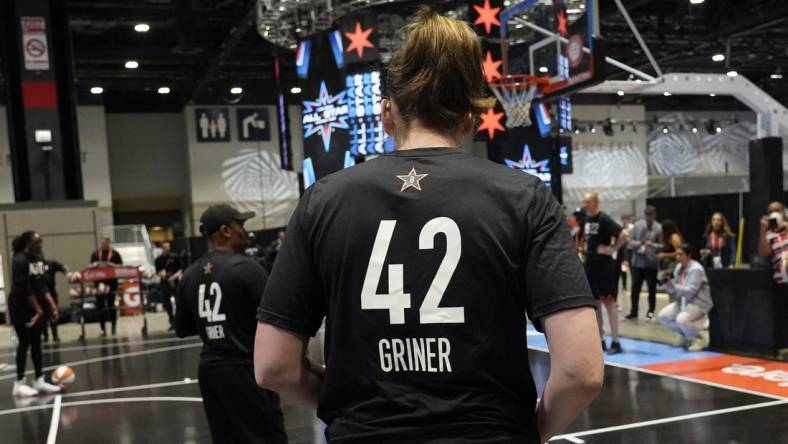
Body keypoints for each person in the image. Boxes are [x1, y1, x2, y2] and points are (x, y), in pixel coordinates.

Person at [253, 8, 603, 444]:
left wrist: (353, 410)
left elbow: (273, 366)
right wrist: (533, 430)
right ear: (470, 117)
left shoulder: (323, 200)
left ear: (386, 113)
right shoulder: (524, 197)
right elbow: (582, 371)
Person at [175, 205, 287, 444]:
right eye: (241, 226)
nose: (245, 232)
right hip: (243, 369)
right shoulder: (247, 268)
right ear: (226, 230)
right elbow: (276, 317)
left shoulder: (190, 274)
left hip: (210, 372)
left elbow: (183, 328)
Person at [9, 231, 62, 397]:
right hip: (20, 306)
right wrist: (38, 310)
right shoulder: (19, 260)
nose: (40, 246)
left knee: (37, 343)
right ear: (28, 243)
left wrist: (52, 306)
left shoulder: (39, 259)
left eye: (41, 243)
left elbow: (42, 285)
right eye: (37, 243)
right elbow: (25, 289)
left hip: (36, 306)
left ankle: (39, 380)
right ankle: (19, 383)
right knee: (24, 342)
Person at [582, 192, 629, 354]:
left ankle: (616, 341)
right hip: (590, 265)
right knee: (595, 303)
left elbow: (624, 234)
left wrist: (612, 249)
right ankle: (600, 339)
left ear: (595, 202)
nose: (584, 203)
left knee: (609, 302)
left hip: (604, 266)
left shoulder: (604, 219)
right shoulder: (586, 219)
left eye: (587, 201)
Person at [658, 244, 714, 351]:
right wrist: (666, 284)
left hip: (698, 302)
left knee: (681, 320)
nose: (678, 257)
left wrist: (674, 286)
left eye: (681, 254)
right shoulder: (679, 267)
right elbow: (675, 289)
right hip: (683, 301)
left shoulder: (696, 269)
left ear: (688, 255)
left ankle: (700, 338)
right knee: (663, 316)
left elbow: (690, 291)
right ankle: (685, 336)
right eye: (677, 254)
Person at [625, 206, 662, 321]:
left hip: (651, 263)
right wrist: (641, 242)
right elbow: (629, 243)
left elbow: (661, 246)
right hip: (637, 262)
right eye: (647, 215)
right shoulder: (637, 225)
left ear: (654, 215)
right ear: (644, 215)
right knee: (635, 289)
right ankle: (634, 311)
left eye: (651, 215)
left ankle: (650, 312)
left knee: (651, 290)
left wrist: (652, 245)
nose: (649, 218)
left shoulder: (658, 228)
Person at [90, 236, 124, 336]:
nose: (103, 244)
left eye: (105, 243)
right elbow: (90, 267)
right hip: (99, 283)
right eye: (102, 243)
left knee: (111, 305)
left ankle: (113, 327)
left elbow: (121, 266)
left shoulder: (115, 254)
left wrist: (111, 264)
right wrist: (95, 264)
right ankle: (103, 329)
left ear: (108, 243)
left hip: (111, 283)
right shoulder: (96, 254)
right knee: (100, 306)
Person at [154, 242, 183, 331]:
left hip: (175, 282)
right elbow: (157, 272)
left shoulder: (175, 257)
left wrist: (174, 276)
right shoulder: (158, 260)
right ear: (162, 248)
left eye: (168, 247)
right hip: (165, 284)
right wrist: (163, 275)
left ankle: (180, 321)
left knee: (179, 302)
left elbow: (181, 269)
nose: (167, 248)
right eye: (165, 247)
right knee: (167, 304)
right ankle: (172, 322)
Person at [759, 201, 788, 284]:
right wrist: (762, 230)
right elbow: (765, 253)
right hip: (782, 279)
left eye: (777, 211)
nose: (774, 213)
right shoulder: (768, 234)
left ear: (783, 212)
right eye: (771, 212)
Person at [42, 259, 68, 342]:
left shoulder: (51, 263)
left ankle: (55, 336)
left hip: (52, 292)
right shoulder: (36, 265)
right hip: (41, 294)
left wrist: (65, 270)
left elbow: (62, 267)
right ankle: (45, 336)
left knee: (54, 313)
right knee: (44, 316)